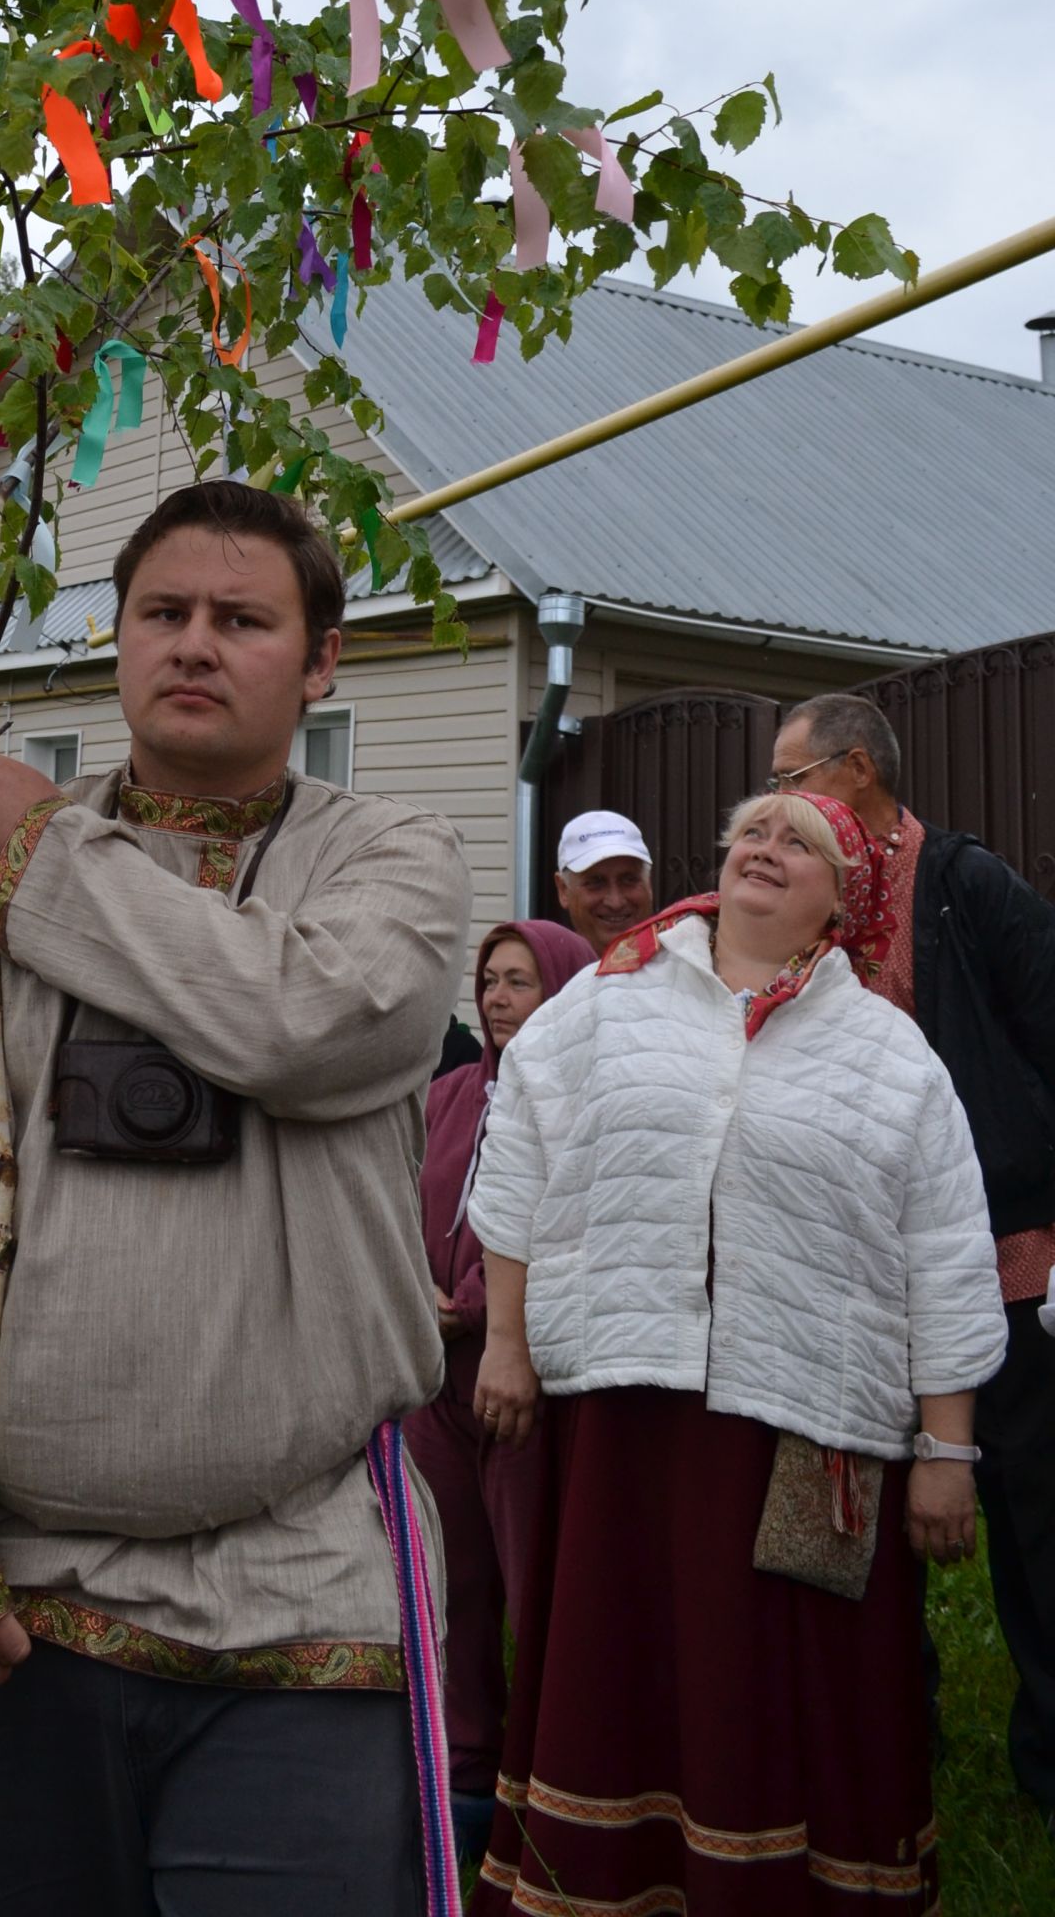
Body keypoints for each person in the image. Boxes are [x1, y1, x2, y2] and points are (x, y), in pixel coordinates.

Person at [0, 479, 472, 1917]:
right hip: (18, 1587)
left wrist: (48, 849)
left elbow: (313, 1020)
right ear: (114, 644)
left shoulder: (389, 863)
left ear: (322, 659)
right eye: (162, 613)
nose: (195, 644)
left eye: (243, 618)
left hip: (305, 1581)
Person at [465, 791, 1006, 1915]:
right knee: (623, 1669)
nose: (764, 851)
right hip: (628, 1413)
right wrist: (505, 1344)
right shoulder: (608, 1001)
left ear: (841, 899)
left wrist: (947, 1449)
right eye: (752, 832)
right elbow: (515, 1160)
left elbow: (945, 1254)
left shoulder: (890, 1054)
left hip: (807, 1426)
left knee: (779, 1694)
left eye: (799, 844)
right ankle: (604, 1887)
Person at [771, 691, 1055, 1822]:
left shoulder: (969, 886)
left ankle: (1048, 1769)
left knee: (1034, 1520)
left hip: (1007, 1261)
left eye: (790, 779)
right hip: (857, 1280)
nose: (780, 803)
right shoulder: (807, 907)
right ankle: (892, 1736)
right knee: (859, 1526)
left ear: (853, 773)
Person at [406, 917, 590, 1861]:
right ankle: (467, 1776)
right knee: (455, 1579)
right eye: (490, 980)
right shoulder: (445, 1094)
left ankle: (555, 1780)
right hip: (434, 1378)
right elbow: (401, 1197)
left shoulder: (580, 1097)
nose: (500, 998)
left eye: (522, 980)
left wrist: (475, 1303)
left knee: (537, 1581)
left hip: (522, 1373)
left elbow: (569, 1219)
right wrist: (414, 1293)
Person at [551, 807, 653, 957]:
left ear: (649, 884)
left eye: (629, 880)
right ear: (563, 890)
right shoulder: (548, 977)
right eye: (596, 883)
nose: (616, 902)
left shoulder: (686, 969)